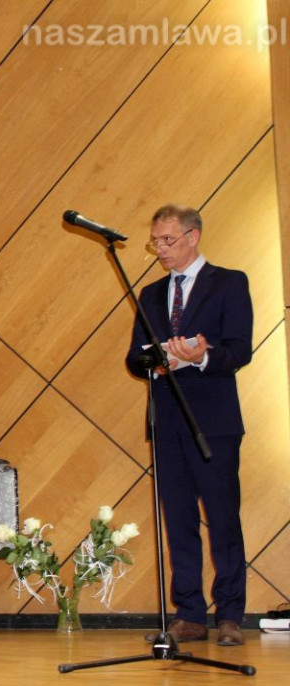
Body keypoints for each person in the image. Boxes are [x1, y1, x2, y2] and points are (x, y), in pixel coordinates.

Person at [127, 204, 252, 647]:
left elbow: (239, 350)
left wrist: (200, 356)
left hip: (214, 421)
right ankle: (190, 614)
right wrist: (157, 361)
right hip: (166, 421)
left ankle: (232, 615)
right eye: (155, 241)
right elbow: (133, 359)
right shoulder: (150, 294)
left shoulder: (229, 283)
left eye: (167, 240)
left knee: (222, 519)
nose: (159, 249)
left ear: (193, 236)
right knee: (178, 520)